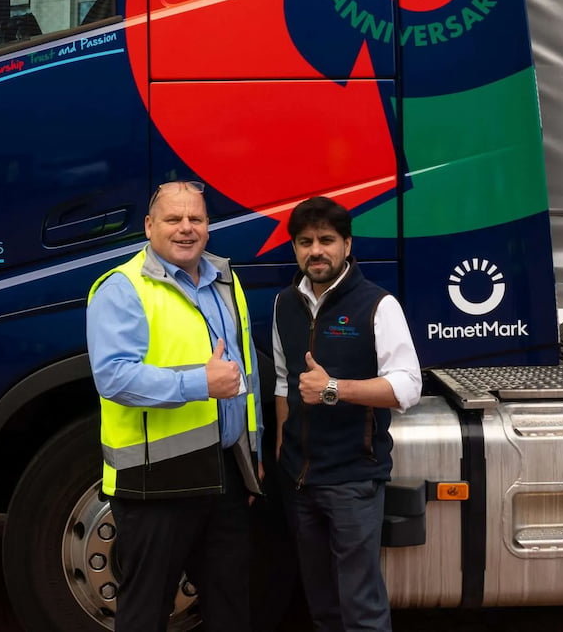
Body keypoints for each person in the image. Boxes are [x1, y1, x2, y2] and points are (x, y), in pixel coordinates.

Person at [86, 180, 263, 632]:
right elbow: (113, 378)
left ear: (208, 226)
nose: (186, 228)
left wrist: (251, 454)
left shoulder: (225, 278)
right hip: (154, 484)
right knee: (146, 611)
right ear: (149, 226)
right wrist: (198, 383)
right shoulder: (123, 288)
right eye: (173, 219)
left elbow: (246, 373)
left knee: (231, 608)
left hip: (223, 473)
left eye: (196, 219)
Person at [273, 196, 422, 632]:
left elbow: (408, 387)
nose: (315, 250)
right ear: (295, 249)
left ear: (347, 244)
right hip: (300, 482)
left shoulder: (378, 305)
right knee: (322, 607)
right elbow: (285, 381)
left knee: (361, 609)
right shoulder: (285, 304)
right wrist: (284, 446)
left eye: (326, 240)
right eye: (304, 242)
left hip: (353, 479)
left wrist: (335, 389)